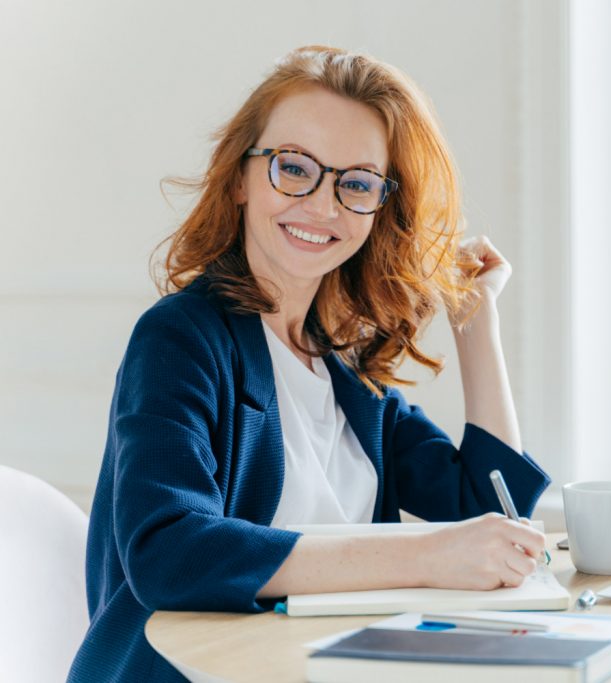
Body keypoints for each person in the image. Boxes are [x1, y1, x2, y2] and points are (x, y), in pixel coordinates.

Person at [67, 45, 550, 682]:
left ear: (379, 209)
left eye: (355, 183)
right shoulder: (180, 339)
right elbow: (169, 554)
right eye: (294, 168)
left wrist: (475, 318)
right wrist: (423, 557)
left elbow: (492, 505)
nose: (322, 206)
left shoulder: (345, 366)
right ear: (239, 178)